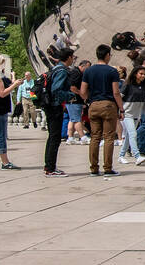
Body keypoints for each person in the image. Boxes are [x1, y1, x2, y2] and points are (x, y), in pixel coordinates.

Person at [79, 45, 125, 177]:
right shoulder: (112, 71)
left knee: (95, 137)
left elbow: (82, 92)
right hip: (108, 105)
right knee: (109, 137)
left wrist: (90, 100)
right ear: (107, 55)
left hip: (93, 105)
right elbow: (116, 92)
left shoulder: (88, 71)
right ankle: (108, 168)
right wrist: (121, 109)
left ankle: (93, 168)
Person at [42, 48, 76, 177]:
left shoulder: (55, 68)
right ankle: (50, 168)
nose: (73, 60)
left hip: (51, 106)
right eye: (72, 57)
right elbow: (56, 90)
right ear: (68, 58)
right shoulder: (62, 71)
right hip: (55, 107)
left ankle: (49, 166)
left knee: (52, 137)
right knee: (55, 138)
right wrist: (70, 95)